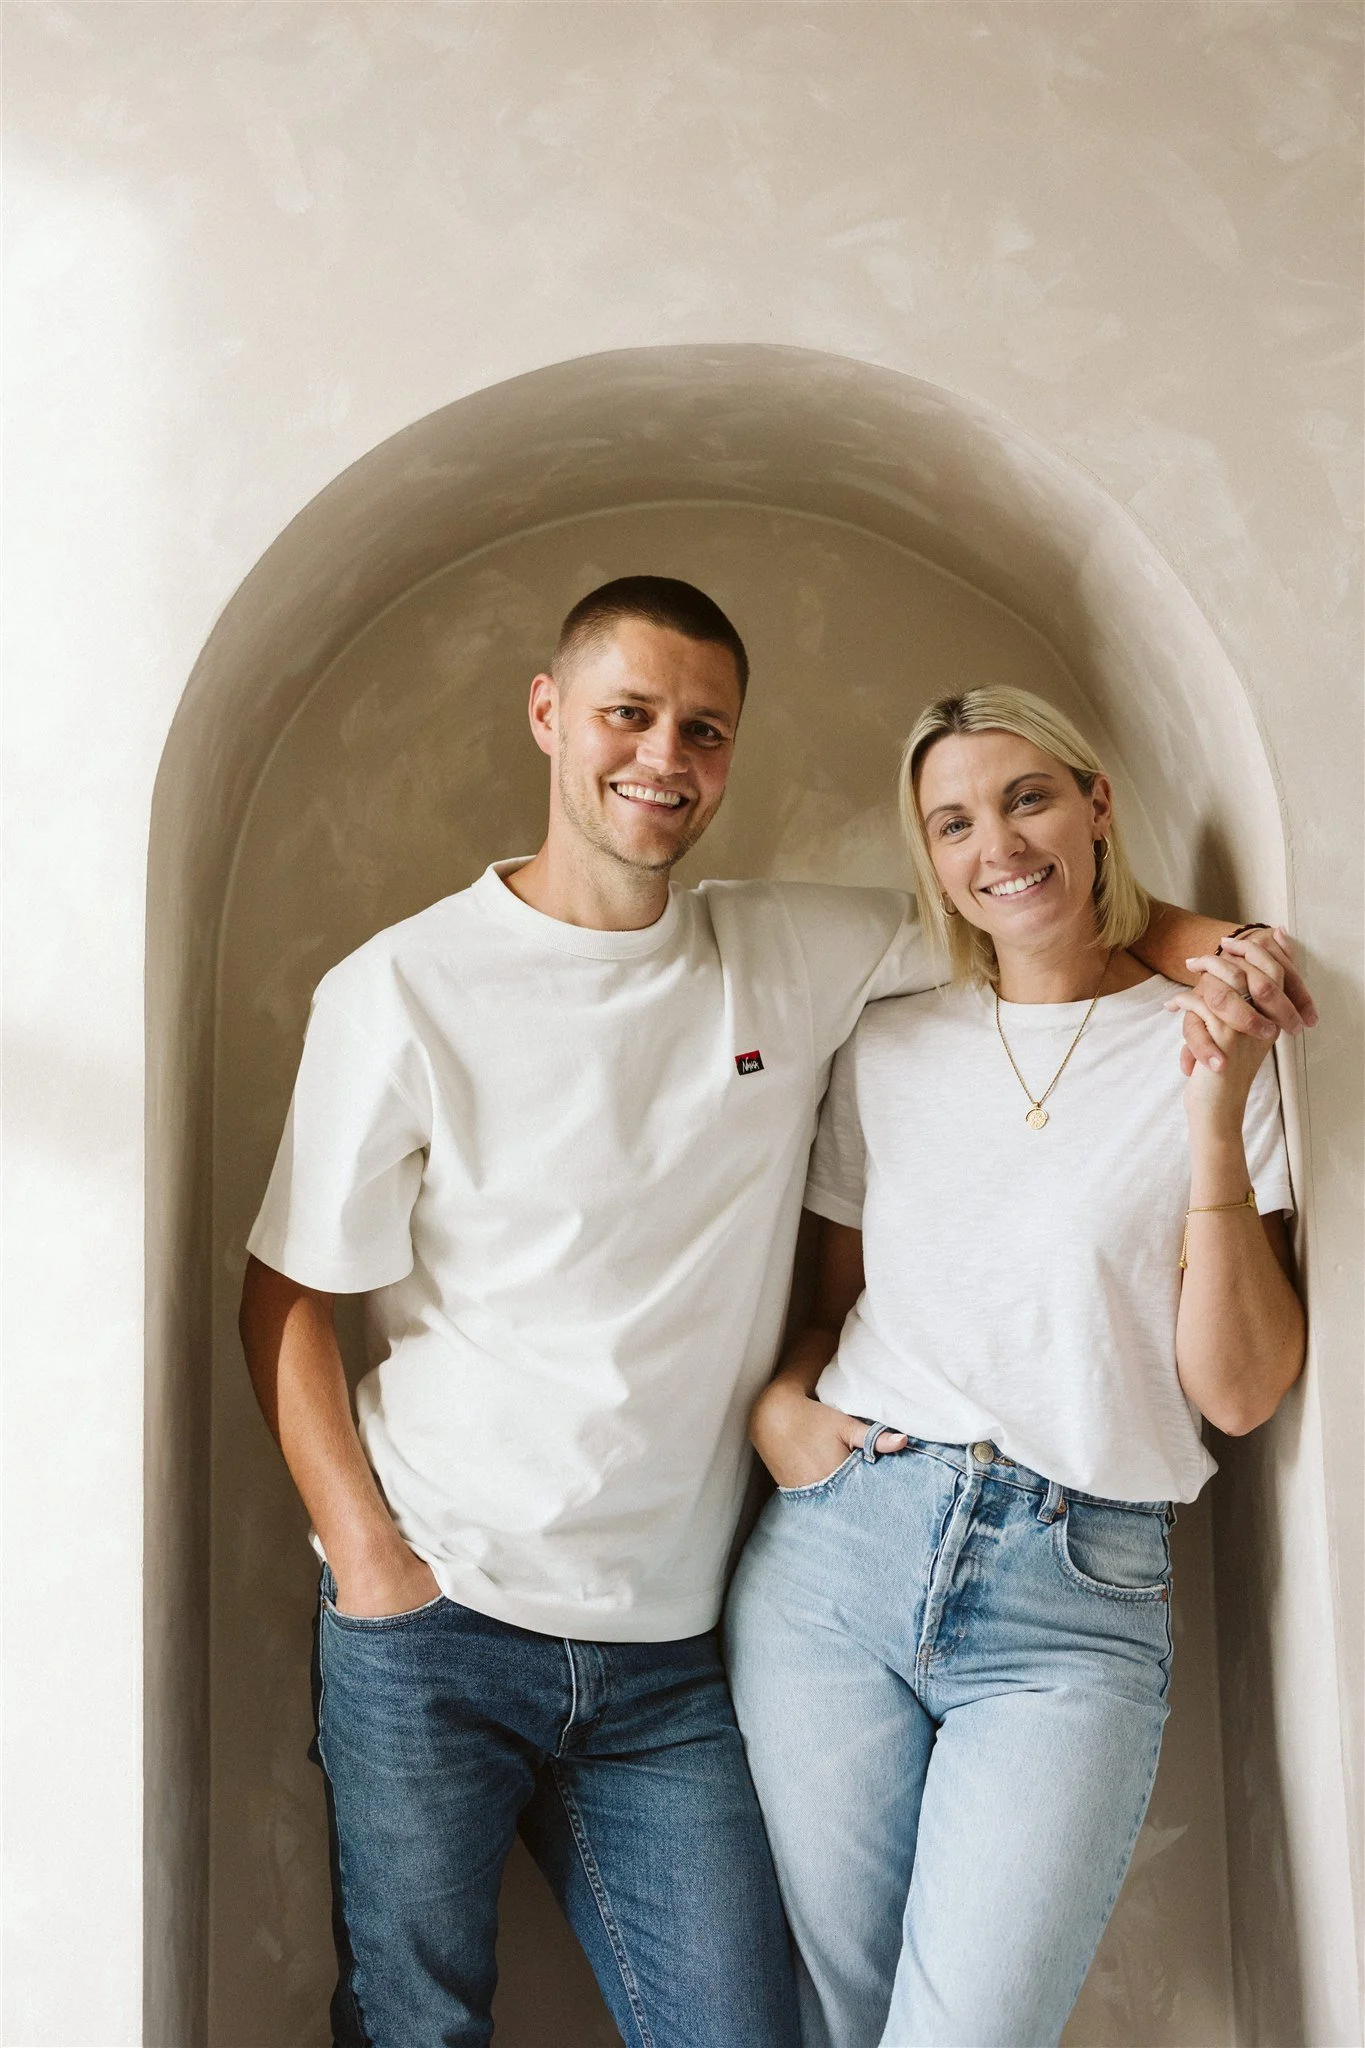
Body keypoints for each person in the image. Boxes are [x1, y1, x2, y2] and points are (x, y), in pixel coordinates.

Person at [238, 588, 1312, 2048]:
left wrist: (1223, 947)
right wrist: (374, 1567)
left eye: (703, 728)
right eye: (627, 713)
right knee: (417, 2023)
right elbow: (287, 1296)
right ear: (550, 715)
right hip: (439, 1615)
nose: (661, 756)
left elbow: (1028, 914)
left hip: (674, 1647)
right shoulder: (401, 988)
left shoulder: (800, 953)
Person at [725, 684, 1308, 2048]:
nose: (999, 842)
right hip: (836, 1567)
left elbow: (1238, 1391)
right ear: (931, 859)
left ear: (1097, 806)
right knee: (847, 2022)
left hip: (1073, 1600)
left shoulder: (1217, 1045)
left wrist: (1213, 1123)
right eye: (954, 821)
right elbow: (830, 1314)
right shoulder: (891, 1045)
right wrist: (776, 1407)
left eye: (1028, 796)